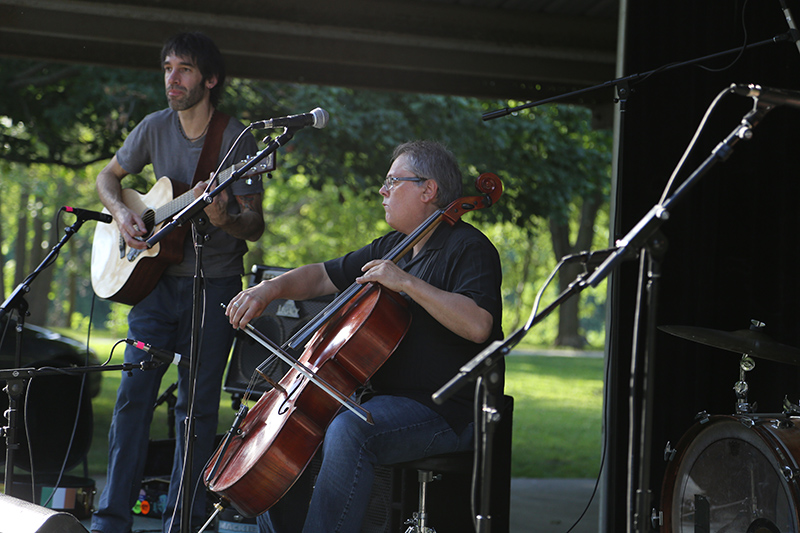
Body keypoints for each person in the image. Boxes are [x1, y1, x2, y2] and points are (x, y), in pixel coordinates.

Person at [225, 140, 503, 532]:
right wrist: (267, 290)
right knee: (295, 429)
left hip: (446, 411)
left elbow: (479, 325)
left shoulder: (469, 248)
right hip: (386, 402)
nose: (382, 190)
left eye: (393, 181)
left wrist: (405, 282)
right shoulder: (394, 247)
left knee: (350, 428)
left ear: (429, 190)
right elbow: (322, 275)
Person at [91, 32, 265, 533]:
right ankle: (111, 518)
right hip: (154, 288)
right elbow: (108, 177)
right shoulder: (153, 127)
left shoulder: (237, 140)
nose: (172, 78)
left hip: (215, 289)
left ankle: (182, 522)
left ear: (209, 79)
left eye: (184, 69)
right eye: (168, 68)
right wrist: (123, 211)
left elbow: (253, 223)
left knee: (198, 409)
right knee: (133, 399)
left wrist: (225, 215)